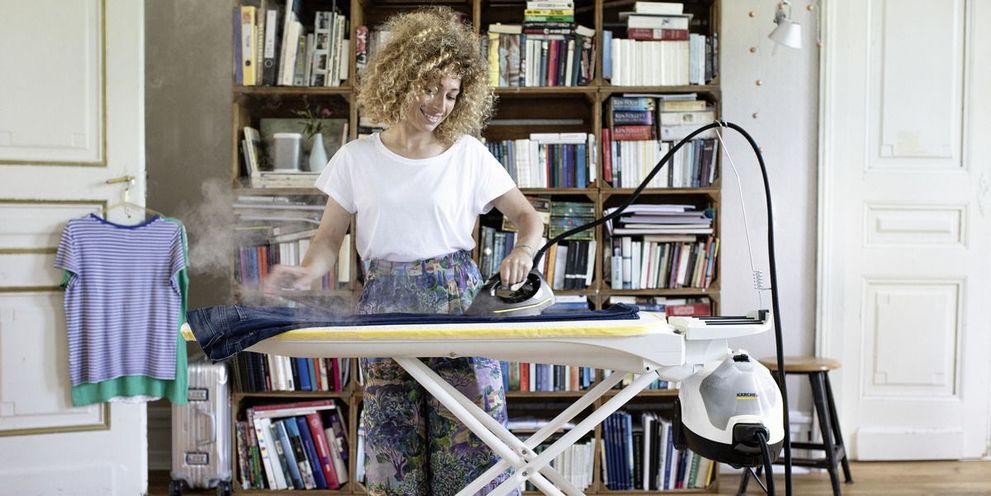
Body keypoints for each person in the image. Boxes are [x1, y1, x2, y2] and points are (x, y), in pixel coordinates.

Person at [264, 7, 543, 496]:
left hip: (459, 302)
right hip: (385, 306)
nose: (441, 103)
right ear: (402, 78)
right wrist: (307, 273)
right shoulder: (356, 158)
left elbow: (529, 217)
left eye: (453, 93)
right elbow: (329, 239)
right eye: (431, 87)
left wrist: (522, 250)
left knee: (474, 450)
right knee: (396, 456)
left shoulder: (469, 154)